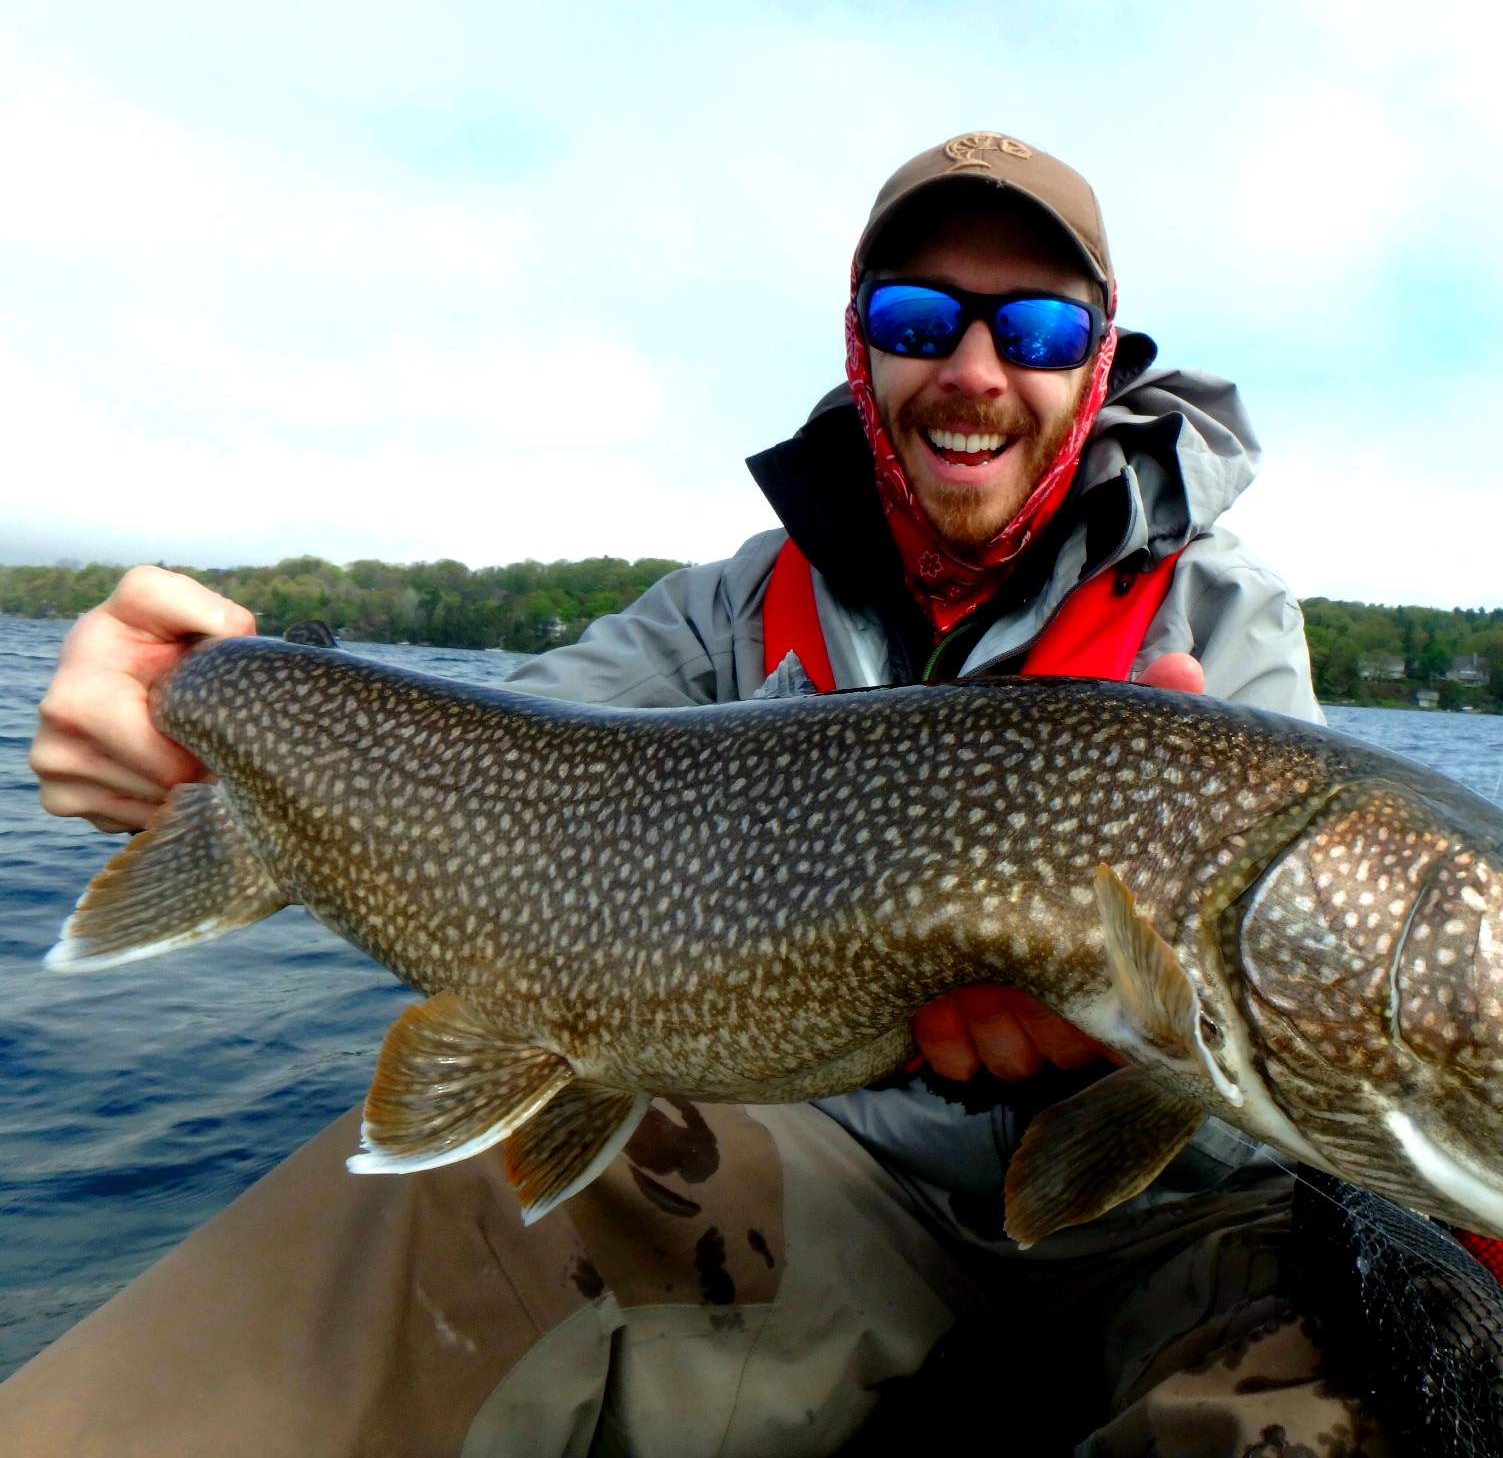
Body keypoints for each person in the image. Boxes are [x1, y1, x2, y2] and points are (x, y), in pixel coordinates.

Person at [10, 133, 1375, 1456]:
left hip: (1173, 1224)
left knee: (1365, 1395)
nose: (973, 373)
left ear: (1099, 359)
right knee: (449, 1207)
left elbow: (1311, 1014)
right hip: (832, 1187)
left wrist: (1141, 1041)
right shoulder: (726, 611)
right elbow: (489, 756)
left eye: (1034, 333)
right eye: (917, 319)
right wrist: (207, 701)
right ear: (861, 342)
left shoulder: (1220, 618)